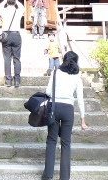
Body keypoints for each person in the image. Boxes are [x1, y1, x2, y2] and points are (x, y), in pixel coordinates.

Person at [42, 51, 89, 180]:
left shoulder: (55, 72)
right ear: (76, 61)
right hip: (68, 109)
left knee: (51, 140)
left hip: (54, 107)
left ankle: (48, 175)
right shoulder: (77, 77)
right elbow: (80, 100)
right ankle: (64, 177)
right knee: (66, 143)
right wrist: (83, 121)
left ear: (64, 60)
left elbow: (48, 92)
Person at [0, 0, 25, 87]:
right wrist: (16, 0)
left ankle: (8, 80)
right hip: (16, 34)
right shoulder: (18, 11)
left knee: (7, 58)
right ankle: (17, 80)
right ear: (15, 2)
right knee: (17, 58)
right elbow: (22, 7)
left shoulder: (4, 10)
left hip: (6, 35)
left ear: (7, 2)